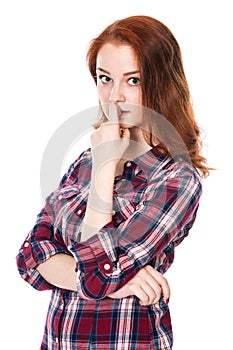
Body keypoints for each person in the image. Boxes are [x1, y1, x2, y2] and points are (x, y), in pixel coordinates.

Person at [16, 15, 209, 349]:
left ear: (161, 83)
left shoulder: (176, 178)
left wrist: (106, 168)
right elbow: (31, 255)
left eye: (132, 80)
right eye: (105, 78)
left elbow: (97, 275)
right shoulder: (86, 162)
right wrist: (118, 281)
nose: (114, 96)